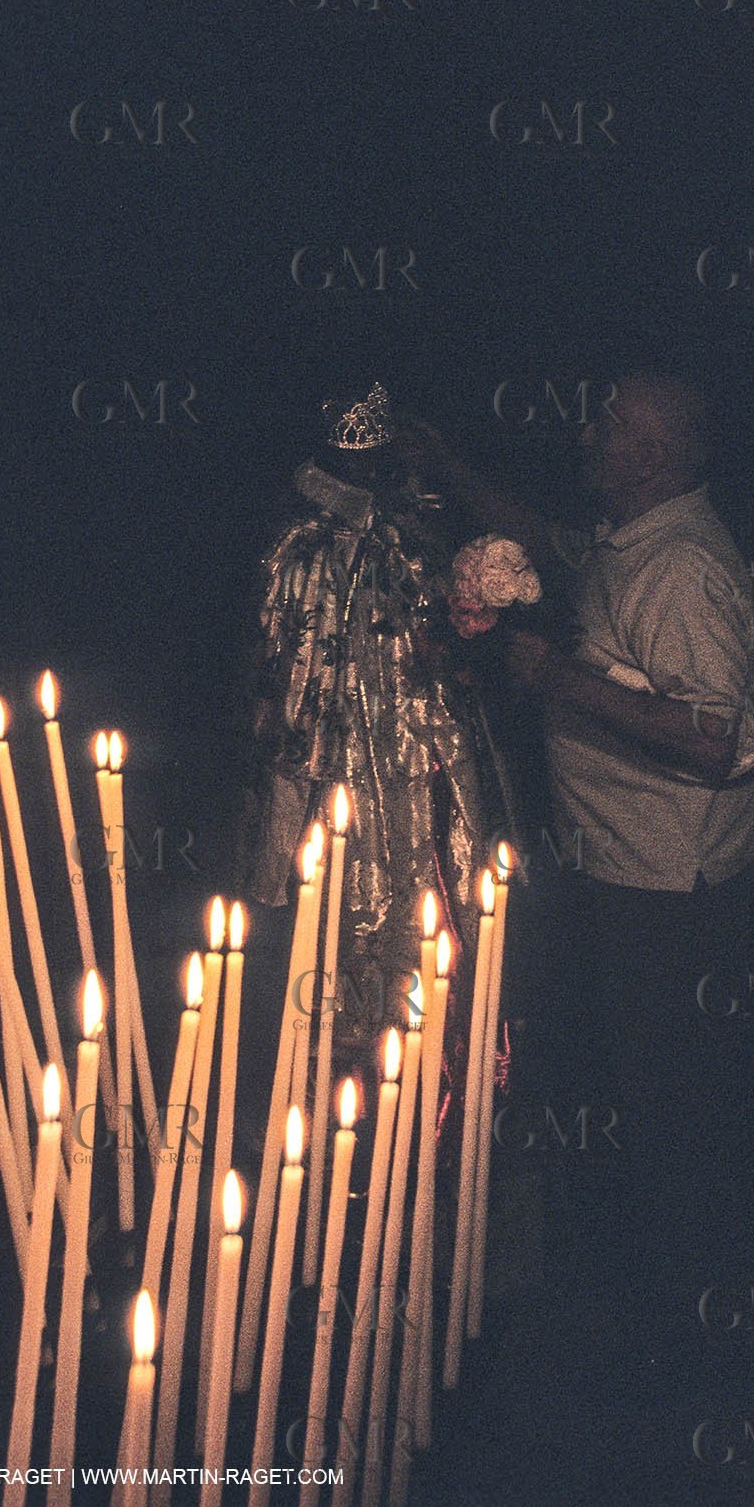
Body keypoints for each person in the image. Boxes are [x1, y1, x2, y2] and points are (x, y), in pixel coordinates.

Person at [400, 373, 754, 1342]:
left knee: (672, 1101)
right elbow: (553, 543)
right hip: (629, 870)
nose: (582, 432)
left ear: (650, 458)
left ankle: (696, 1317)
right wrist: (445, 466)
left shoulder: (682, 571)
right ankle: (669, 1282)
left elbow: (712, 737)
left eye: (605, 425)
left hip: (672, 884)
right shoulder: (632, 539)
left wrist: (551, 676)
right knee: (648, 1085)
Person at [238, 383, 519, 1039]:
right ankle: (332, 1025)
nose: (367, 472)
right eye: (352, 461)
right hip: (328, 736)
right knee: (334, 860)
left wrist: (455, 641)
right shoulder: (299, 545)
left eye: (375, 459)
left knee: (432, 851)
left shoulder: (410, 529)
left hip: (418, 727)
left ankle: (436, 1010)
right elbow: (278, 656)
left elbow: (445, 626)